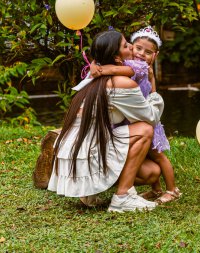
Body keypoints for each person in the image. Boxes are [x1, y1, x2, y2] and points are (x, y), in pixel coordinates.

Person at [48, 30, 165, 212]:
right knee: (145, 129)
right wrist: (153, 88)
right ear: (118, 58)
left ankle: (90, 190)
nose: (133, 48)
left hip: (74, 157)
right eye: (126, 46)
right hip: (87, 155)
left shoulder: (93, 77)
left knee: (151, 172)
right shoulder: (122, 83)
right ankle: (122, 198)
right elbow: (151, 117)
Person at [89, 26, 181, 204]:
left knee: (158, 156)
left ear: (155, 55)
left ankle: (172, 189)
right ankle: (156, 189)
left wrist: (103, 69)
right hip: (134, 120)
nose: (140, 54)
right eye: (138, 48)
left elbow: (125, 71)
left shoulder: (139, 67)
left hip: (146, 120)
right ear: (131, 46)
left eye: (148, 52)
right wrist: (95, 64)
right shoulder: (130, 62)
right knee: (144, 155)